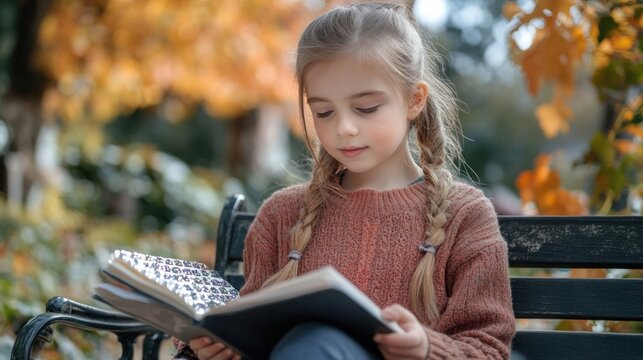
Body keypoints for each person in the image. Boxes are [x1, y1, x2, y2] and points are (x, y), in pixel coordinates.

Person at [175, 2, 515, 359]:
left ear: (414, 100)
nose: (344, 128)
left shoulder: (464, 216)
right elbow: (251, 331)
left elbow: (488, 347)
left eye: (366, 108)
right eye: (323, 112)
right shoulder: (283, 214)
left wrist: (427, 348)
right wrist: (217, 347)